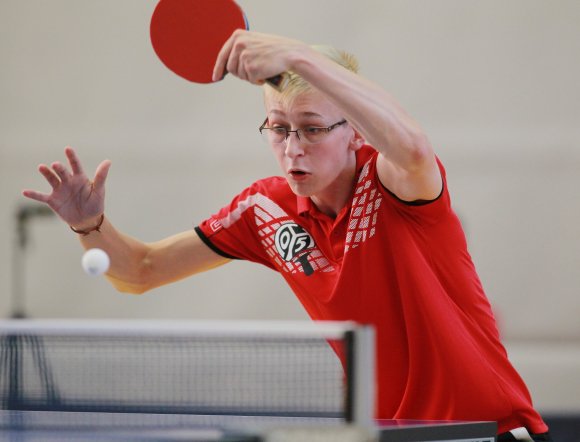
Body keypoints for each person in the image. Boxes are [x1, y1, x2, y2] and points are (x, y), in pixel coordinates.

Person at [23, 31, 550, 440]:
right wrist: (88, 225)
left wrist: (298, 57)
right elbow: (139, 271)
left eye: (314, 127)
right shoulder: (264, 210)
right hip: (386, 436)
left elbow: (411, 147)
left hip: (484, 433)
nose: (293, 146)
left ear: (356, 132)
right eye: (278, 127)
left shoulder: (394, 183)